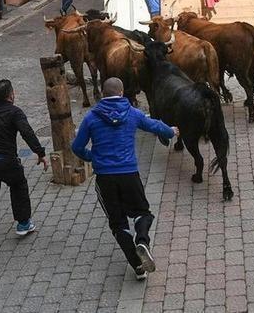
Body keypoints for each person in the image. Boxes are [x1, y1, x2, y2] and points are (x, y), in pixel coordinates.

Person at [71, 78, 178, 281]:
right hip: (129, 174)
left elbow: (76, 147)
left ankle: (138, 266)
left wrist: (93, 158)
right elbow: (154, 125)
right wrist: (170, 131)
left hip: (105, 178)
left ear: (102, 94)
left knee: (118, 223)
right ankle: (143, 242)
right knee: (142, 212)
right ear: (121, 93)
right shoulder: (132, 113)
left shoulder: (91, 118)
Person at [0, 80, 48, 272]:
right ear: (11, 95)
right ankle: (23, 223)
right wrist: (40, 153)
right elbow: (27, 132)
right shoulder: (15, 112)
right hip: (6, 161)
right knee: (19, 184)